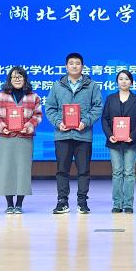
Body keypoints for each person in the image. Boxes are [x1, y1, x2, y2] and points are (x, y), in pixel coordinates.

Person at [44, 52, 103, 214]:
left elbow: (97, 107)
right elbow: (50, 108)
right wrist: (58, 122)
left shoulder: (92, 85)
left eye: (77, 63)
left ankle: (82, 202)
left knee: (83, 170)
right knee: (62, 170)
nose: (74, 66)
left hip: (83, 135)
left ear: (82, 66)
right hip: (62, 135)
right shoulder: (57, 86)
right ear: (66, 66)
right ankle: (62, 201)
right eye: (71, 63)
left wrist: (85, 122)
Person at [0, 67, 43, 214]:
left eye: (20, 77)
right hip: (6, 137)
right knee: (6, 170)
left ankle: (19, 204)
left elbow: (38, 115)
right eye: (14, 77)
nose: (17, 79)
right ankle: (9, 204)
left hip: (24, 138)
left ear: (25, 79)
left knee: (23, 171)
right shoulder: (1, 96)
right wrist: (2, 127)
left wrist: (29, 126)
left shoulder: (33, 96)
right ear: (9, 79)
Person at [101, 70, 136, 213]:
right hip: (114, 141)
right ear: (117, 82)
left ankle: (128, 204)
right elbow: (104, 119)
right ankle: (117, 204)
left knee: (129, 172)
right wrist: (109, 135)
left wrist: (132, 136)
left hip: (131, 141)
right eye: (121, 79)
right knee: (116, 172)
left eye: (127, 79)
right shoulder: (110, 98)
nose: (124, 81)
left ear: (131, 82)